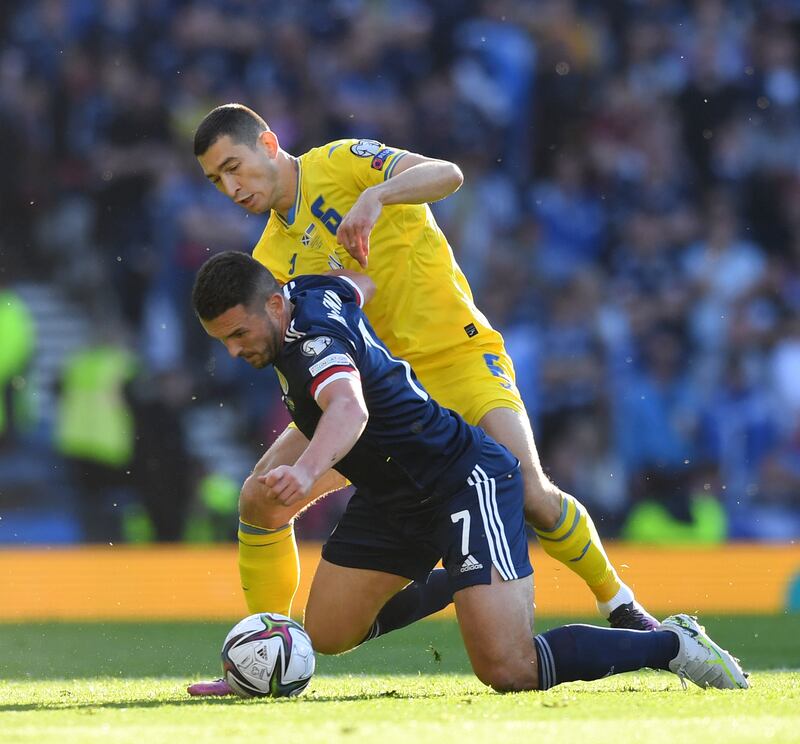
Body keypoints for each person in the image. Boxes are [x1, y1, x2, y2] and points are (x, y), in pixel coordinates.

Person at [191, 103, 658, 691]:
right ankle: (268, 650)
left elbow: (448, 174)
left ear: (267, 142)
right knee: (261, 496)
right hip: (379, 391)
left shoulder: (340, 164)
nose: (231, 187)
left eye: (234, 166)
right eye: (216, 180)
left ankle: (621, 605)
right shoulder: (267, 262)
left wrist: (377, 197)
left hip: (456, 360)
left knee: (533, 493)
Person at [189, 251, 748, 693]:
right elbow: (359, 287)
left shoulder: (312, 343)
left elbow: (350, 408)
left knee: (509, 669)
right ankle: (466, 580)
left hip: (461, 479)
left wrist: (309, 472)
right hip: (392, 496)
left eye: (240, 335)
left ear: (274, 306)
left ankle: (671, 644)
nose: (235, 352)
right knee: (329, 635)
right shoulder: (312, 290)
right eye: (222, 342)